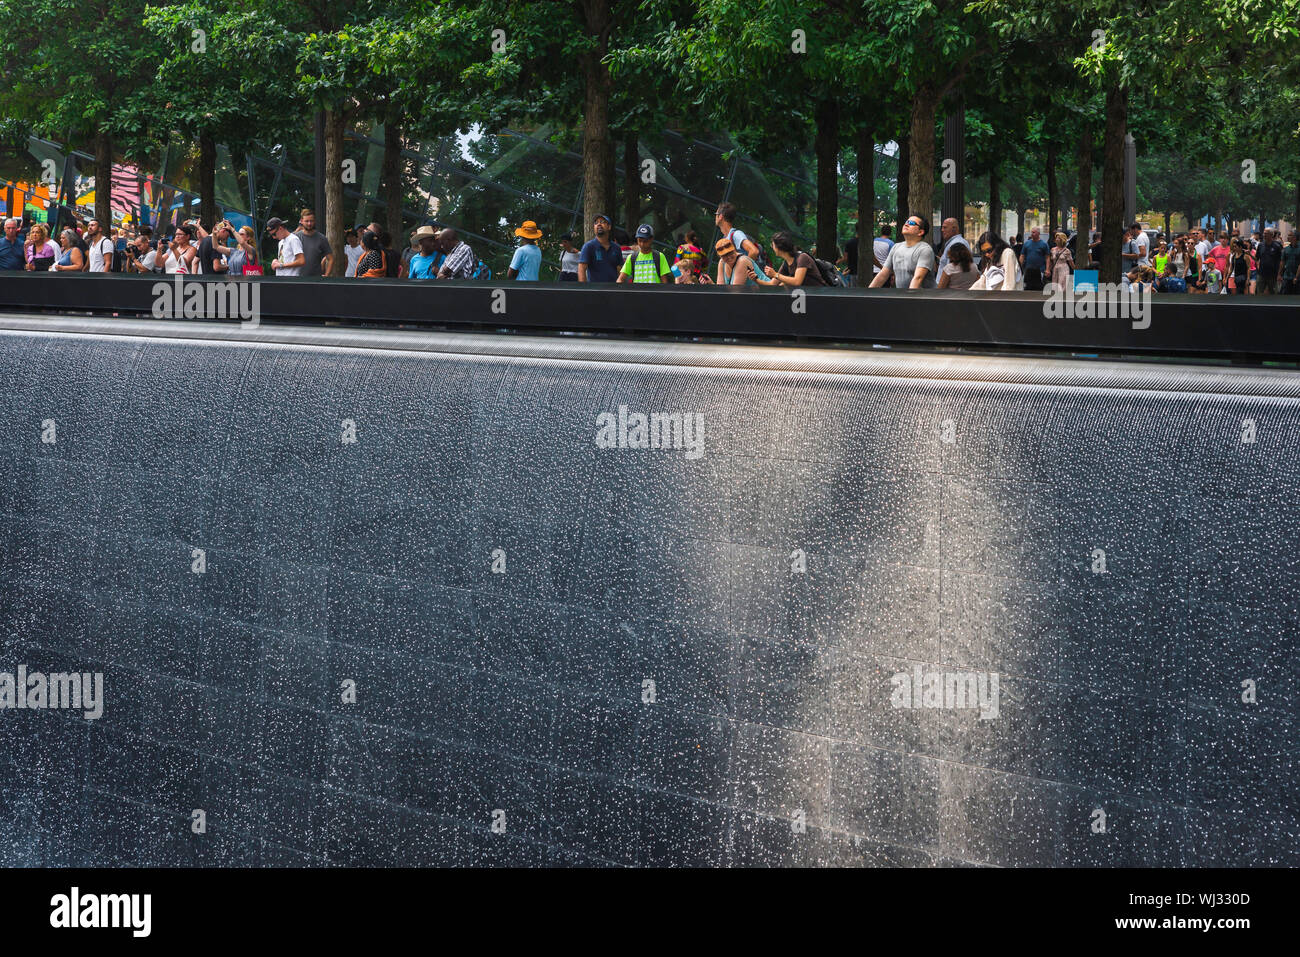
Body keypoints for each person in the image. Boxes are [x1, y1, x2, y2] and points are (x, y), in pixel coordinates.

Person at [869, 214, 935, 289]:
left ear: (920, 232)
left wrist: (909, 299)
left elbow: (918, 278)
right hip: (904, 296)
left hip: (922, 298)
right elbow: (883, 274)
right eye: (907, 222)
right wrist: (868, 295)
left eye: (912, 223)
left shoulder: (925, 249)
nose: (906, 224)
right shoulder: (896, 247)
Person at [760, 230, 825, 287]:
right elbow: (773, 284)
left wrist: (775, 274)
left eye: (773, 245)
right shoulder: (786, 262)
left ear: (779, 247)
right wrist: (755, 279)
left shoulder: (802, 257)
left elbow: (797, 282)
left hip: (819, 295)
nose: (772, 248)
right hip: (805, 296)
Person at [714, 202, 765, 267]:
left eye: (716, 214)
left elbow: (754, 251)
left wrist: (742, 270)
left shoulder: (736, 234)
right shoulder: (725, 238)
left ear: (720, 216)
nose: (715, 217)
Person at [578, 214, 623, 282]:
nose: (599, 224)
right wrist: (583, 289)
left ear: (609, 227)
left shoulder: (616, 248)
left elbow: (619, 270)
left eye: (602, 222)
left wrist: (619, 288)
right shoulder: (588, 246)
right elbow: (581, 269)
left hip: (612, 289)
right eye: (596, 223)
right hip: (595, 290)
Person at [294, 208, 332, 277]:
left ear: (315, 221)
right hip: (297, 279)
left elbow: (331, 259)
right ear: (301, 221)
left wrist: (326, 276)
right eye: (307, 221)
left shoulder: (321, 238)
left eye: (311, 221)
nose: (309, 223)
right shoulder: (295, 238)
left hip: (316, 280)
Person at [1019, 226, 1049, 290]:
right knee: (1027, 287)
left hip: (1040, 270)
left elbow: (1047, 257)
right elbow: (1022, 255)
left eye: (1034, 232)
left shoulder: (1044, 244)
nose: (1032, 234)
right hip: (1028, 269)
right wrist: (1019, 267)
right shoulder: (1027, 243)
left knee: (1039, 287)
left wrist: (1047, 269)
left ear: (1038, 233)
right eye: (1031, 232)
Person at [1256, 228, 1283, 295]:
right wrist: (1250, 254)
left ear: (1271, 235)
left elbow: (1281, 261)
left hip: (1273, 275)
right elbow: (1257, 258)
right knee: (1259, 293)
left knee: (1273, 294)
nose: (1264, 235)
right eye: (1264, 233)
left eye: (1266, 233)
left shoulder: (1277, 246)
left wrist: (1279, 274)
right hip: (1261, 274)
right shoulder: (1260, 245)